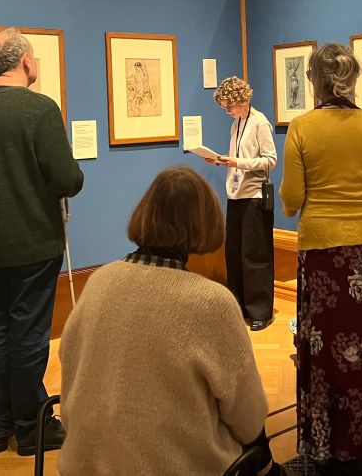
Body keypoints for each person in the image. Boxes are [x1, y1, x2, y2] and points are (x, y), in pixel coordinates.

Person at [59, 167, 284, 476]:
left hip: (84, 463)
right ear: (204, 223)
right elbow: (249, 419)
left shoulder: (99, 281)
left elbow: (70, 375)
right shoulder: (211, 302)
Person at [280, 43, 362, 475]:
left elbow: (294, 197)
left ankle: (327, 443)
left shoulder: (302, 127)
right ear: (352, 79)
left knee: (327, 348)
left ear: (314, 81)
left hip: (322, 247)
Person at [0, 28, 84, 456]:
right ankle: (32, 429)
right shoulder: (39, 109)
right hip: (32, 239)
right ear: (26, 61)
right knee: (29, 333)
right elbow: (67, 178)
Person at [205, 76, 277, 330]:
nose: (227, 111)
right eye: (224, 107)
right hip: (234, 194)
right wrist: (221, 160)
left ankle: (260, 310)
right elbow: (238, 157)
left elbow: (270, 160)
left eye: (229, 106)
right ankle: (238, 305)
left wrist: (238, 163)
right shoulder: (236, 124)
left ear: (243, 100)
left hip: (254, 196)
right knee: (234, 252)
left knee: (254, 254)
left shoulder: (260, 122)